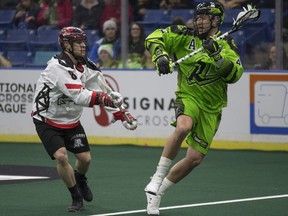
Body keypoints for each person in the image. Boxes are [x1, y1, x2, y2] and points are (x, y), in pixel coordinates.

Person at [144, 1, 244, 215]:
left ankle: (157, 193)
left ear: (216, 20)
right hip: (188, 96)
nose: (198, 22)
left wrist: (216, 55)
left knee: (194, 159)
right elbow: (153, 38)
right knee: (182, 128)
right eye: (197, 17)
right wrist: (160, 55)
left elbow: (234, 75)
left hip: (212, 107)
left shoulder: (227, 45)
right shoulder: (183, 34)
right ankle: (157, 177)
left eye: (203, 18)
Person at [31, 26, 137, 212]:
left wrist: (120, 113)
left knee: (85, 159)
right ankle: (75, 196)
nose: (83, 46)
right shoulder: (57, 67)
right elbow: (79, 96)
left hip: (71, 120)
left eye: (83, 42)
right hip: (47, 120)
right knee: (62, 157)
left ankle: (80, 178)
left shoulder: (87, 65)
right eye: (77, 42)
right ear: (66, 45)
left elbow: (105, 90)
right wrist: (105, 99)